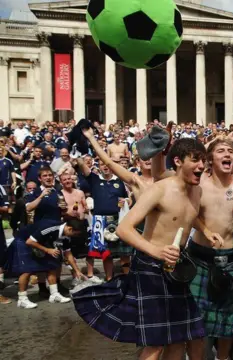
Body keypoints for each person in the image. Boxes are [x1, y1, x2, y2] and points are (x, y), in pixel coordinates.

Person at [72, 138, 208, 360]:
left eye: (203, 160)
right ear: (178, 161)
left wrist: (206, 230)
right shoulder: (159, 190)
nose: (202, 166)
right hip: (151, 267)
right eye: (195, 160)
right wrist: (156, 252)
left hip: (177, 268)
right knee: (155, 342)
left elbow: (186, 216)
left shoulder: (197, 191)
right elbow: (124, 229)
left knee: (179, 336)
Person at [153, 133, 233, 360]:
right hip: (200, 257)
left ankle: (222, 357)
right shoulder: (198, 182)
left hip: (230, 258)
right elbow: (159, 174)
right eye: (221, 151)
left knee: (229, 320)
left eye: (231, 151)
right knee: (197, 317)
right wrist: (205, 230)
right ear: (209, 158)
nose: (228, 154)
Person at [5, 218, 87, 309]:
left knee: (52, 265)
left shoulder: (66, 236)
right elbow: (30, 241)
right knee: (26, 270)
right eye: (74, 234)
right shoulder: (51, 228)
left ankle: (54, 294)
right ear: (70, 229)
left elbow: (68, 254)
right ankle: (22, 299)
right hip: (23, 241)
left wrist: (77, 271)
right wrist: (47, 250)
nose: (74, 236)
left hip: (40, 243)